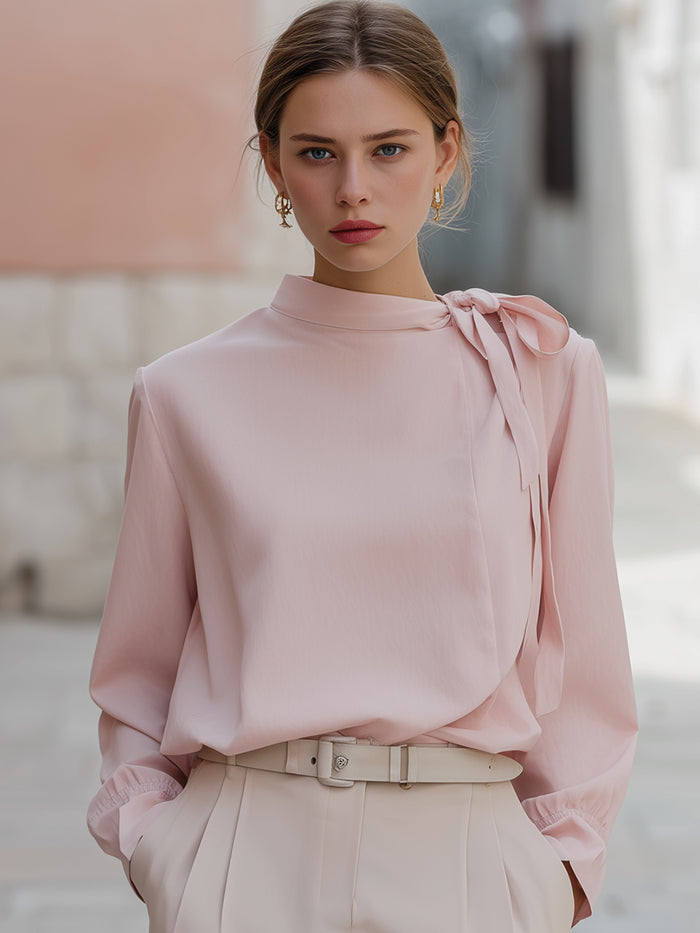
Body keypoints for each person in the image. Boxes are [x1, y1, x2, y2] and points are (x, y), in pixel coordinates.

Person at [86, 2, 638, 931]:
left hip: (468, 863)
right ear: (271, 162)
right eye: (316, 152)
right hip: (241, 855)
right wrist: (157, 845)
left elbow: (583, 657)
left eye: (389, 149)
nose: (353, 189)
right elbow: (137, 669)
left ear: (445, 152)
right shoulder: (183, 392)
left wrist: (558, 869)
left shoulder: (543, 369)